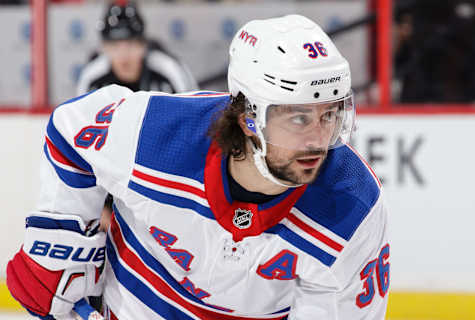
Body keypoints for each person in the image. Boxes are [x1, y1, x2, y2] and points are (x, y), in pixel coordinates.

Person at [6, 14, 390, 320]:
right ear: (248, 117)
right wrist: (60, 235)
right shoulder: (155, 135)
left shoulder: (353, 211)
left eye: (330, 115)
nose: (318, 140)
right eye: (298, 118)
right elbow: (71, 129)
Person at [76, 0, 198, 96]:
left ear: (144, 45)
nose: (124, 54)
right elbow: (79, 122)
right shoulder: (92, 77)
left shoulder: (168, 70)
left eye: (131, 44)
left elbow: (194, 114)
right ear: (104, 48)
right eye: (114, 46)